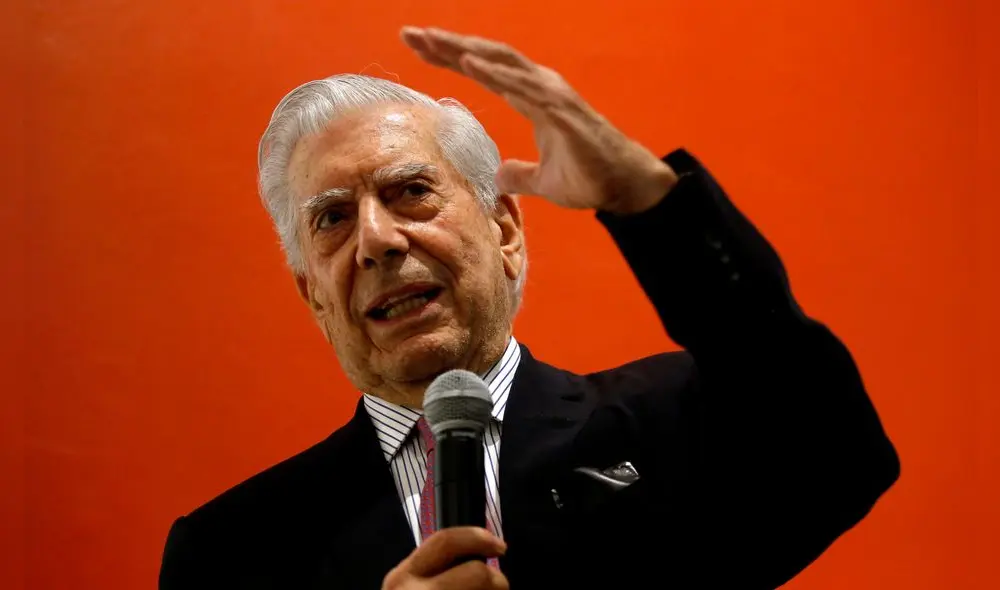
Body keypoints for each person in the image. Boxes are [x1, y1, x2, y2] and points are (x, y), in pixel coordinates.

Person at [159, 26, 900, 590]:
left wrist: (647, 202)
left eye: (410, 191)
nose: (377, 241)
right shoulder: (230, 553)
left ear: (505, 230)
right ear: (313, 294)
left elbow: (836, 449)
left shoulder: (677, 422)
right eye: (332, 219)